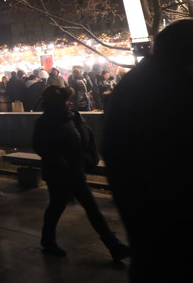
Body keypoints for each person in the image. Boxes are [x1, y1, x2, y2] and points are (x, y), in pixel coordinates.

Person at [101, 19, 193, 282]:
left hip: (154, 255)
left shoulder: (140, 86)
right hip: (182, 261)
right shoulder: (175, 102)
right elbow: (188, 197)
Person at [32, 85, 130, 261]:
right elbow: (39, 146)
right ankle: (48, 240)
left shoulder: (70, 117)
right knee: (57, 206)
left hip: (75, 170)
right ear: (58, 103)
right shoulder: (45, 122)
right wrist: (57, 158)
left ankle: (113, 245)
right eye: (66, 100)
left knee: (91, 207)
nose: (70, 103)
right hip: (58, 173)